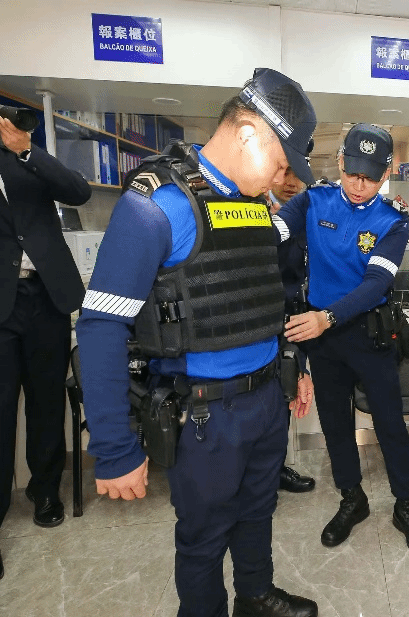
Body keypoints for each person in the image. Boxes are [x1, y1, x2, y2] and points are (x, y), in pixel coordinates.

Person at [76, 68, 318, 617]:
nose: (284, 177)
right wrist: (114, 449)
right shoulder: (156, 205)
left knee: (258, 514)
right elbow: (101, 326)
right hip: (207, 414)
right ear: (249, 133)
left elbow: (265, 295)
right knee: (205, 537)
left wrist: (295, 362)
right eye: (282, 162)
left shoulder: (252, 203)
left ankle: (255, 596)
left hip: (266, 400)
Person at [278, 123, 409, 556]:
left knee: (390, 424)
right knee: (335, 423)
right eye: (352, 173)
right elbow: (275, 231)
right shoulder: (314, 200)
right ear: (340, 162)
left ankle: (406, 504)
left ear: (385, 174)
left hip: (367, 334)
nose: (359, 185)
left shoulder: (393, 219)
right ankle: (352, 497)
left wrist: (327, 317)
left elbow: (375, 284)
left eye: (370, 177)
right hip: (324, 343)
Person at [0, 113, 91, 580]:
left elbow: (78, 191)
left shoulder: (24, 157)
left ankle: (46, 489)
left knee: (46, 400)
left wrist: (25, 149)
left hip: (47, 298)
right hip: (2, 305)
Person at [267, 166, 316, 494]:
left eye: (298, 174)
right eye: (284, 172)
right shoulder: (257, 214)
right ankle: (256, 475)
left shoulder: (306, 216)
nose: (291, 182)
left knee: (285, 395)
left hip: (294, 322)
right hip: (261, 323)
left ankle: (276, 469)